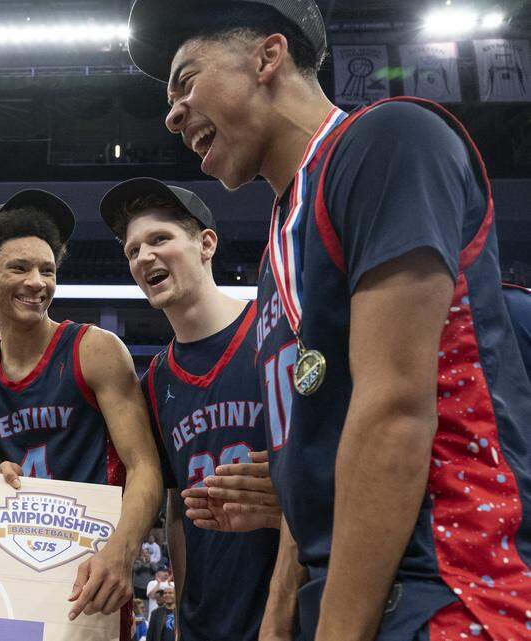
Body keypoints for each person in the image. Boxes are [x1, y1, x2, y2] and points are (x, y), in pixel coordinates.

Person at [128, 0, 531, 638]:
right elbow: (306, 460)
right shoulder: (275, 249)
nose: (172, 114)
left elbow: (395, 410)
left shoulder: (388, 139)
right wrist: (281, 615)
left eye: (185, 81)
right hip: (345, 588)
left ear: (268, 56)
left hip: (447, 584)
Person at [0, 189, 164, 626]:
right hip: (13, 560)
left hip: (95, 562)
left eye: (47, 270)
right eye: (19, 268)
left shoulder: (95, 349)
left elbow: (144, 466)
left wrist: (122, 552)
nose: (37, 282)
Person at [101, 178, 298, 640]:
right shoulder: (154, 381)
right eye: (132, 251)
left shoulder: (279, 329)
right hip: (208, 619)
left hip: (294, 608)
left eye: (159, 239)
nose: (143, 256)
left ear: (206, 243)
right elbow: (176, 512)